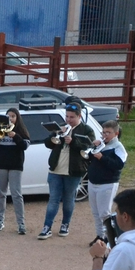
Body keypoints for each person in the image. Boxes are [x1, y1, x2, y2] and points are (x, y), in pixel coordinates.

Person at [39, 102, 95, 239]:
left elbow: (89, 147)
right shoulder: (61, 127)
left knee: (69, 199)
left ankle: (65, 224)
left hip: (73, 171)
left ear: (79, 116)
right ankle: (47, 227)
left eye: (71, 117)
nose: (68, 120)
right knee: (53, 200)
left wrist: (73, 141)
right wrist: (56, 134)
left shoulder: (86, 130)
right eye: (67, 116)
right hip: (55, 170)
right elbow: (47, 143)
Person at [0, 108, 30, 234]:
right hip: (1, 164)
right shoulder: (0, 128)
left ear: (17, 118)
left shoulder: (20, 131)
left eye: (13, 116)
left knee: (16, 194)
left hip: (15, 165)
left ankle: (21, 224)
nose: (10, 118)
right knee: (1, 193)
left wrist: (15, 136)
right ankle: (0, 221)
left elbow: (25, 145)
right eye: (8, 116)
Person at [87, 121, 127, 242]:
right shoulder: (101, 145)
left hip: (107, 184)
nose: (105, 135)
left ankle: (109, 237)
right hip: (93, 182)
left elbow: (119, 165)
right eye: (103, 132)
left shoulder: (119, 147)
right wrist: (92, 148)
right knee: (95, 212)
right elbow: (89, 158)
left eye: (108, 132)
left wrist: (102, 157)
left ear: (116, 133)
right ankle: (100, 236)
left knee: (104, 213)